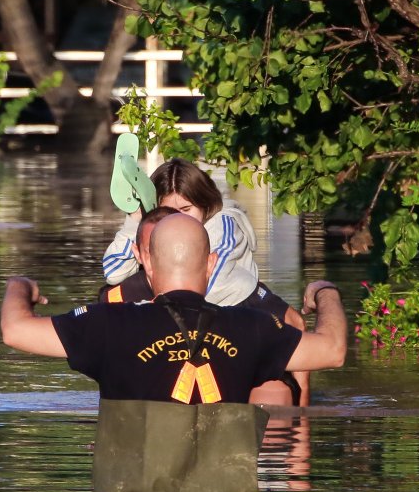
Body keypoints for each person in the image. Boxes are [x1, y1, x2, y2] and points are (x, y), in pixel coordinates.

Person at [4, 213, 347, 407]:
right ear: (212, 265)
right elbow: (332, 350)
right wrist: (324, 291)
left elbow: (15, 330)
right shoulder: (253, 327)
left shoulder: (108, 324)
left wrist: (20, 286)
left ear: (148, 263)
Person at [100, 160, 310, 402]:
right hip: (191, 330)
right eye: (168, 212)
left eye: (186, 210)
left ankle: (301, 413)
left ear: (205, 204)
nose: (177, 221)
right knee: (112, 295)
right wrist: (136, 219)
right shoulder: (155, 228)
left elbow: (206, 281)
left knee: (278, 388)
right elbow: (114, 272)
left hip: (241, 316)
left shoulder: (224, 224)